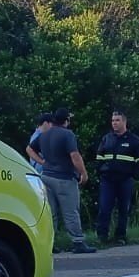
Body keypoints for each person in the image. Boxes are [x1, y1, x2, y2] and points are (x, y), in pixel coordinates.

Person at [36, 107, 96, 253]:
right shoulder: (67, 135)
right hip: (64, 178)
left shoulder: (44, 134)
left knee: (51, 213)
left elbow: (29, 149)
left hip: (46, 177)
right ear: (67, 120)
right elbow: (75, 156)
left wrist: (42, 162)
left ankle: (50, 244)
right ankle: (78, 242)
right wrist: (83, 173)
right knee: (70, 212)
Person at [93, 109, 139, 245]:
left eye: (117, 120)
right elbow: (99, 157)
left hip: (125, 180)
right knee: (104, 208)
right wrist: (100, 171)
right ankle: (102, 237)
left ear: (124, 121)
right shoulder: (107, 139)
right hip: (108, 180)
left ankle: (120, 236)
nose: (114, 123)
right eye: (113, 120)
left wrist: (135, 175)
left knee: (124, 209)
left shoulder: (134, 140)